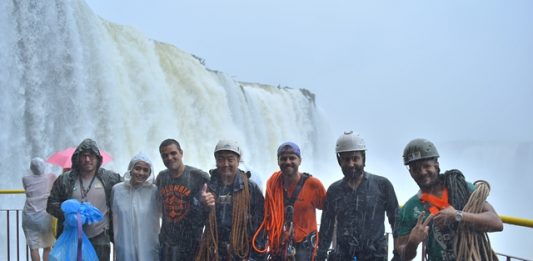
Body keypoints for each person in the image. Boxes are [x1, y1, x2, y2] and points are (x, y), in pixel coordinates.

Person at [396, 138, 503, 260]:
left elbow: (497, 223)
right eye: (416, 169)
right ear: (410, 172)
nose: (422, 172)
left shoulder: (461, 188)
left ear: (436, 165)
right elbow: (403, 253)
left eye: (426, 166)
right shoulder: (410, 208)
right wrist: (413, 242)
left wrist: (458, 215)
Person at [316, 131, 400, 260]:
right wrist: (320, 256)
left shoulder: (382, 185)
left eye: (355, 159)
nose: (351, 164)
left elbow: (396, 222)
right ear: (340, 161)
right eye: (346, 159)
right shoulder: (334, 190)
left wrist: (397, 255)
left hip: (374, 256)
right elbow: (326, 228)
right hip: (342, 256)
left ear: (363, 159)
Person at [47, 138, 122, 261]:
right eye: (84, 155)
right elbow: (50, 204)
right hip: (71, 238)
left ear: (98, 158)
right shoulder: (64, 180)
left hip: (100, 238)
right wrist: (69, 214)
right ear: (77, 158)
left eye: (91, 155)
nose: (87, 159)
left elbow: (128, 187)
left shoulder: (110, 178)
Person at [254, 142, 326, 260]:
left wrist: (324, 244)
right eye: (283, 159)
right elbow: (267, 216)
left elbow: (330, 213)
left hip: (305, 248)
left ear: (300, 160)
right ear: (278, 162)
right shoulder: (272, 186)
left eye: (292, 158)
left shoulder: (313, 185)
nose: (288, 162)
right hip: (279, 247)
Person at [197, 139, 265, 261]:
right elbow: (196, 223)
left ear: (238, 161)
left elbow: (261, 226)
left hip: (242, 254)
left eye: (230, 159)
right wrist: (203, 205)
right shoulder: (207, 187)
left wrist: (254, 258)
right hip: (214, 253)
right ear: (216, 161)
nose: (225, 163)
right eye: (221, 159)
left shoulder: (250, 189)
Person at [156, 138, 210, 260]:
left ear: (181, 152)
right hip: (167, 244)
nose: (169, 158)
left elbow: (213, 206)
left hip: (192, 244)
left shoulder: (198, 177)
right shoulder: (161, 177)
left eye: (173, 153)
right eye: (165, 155)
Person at [111, 152, 160, 261]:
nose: (141, 173)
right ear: (131, 169)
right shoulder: (117, 190)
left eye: (145, 170)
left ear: (149, 173)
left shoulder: (154, 191)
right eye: (137, 168)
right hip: (124, 245)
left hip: (148, 246)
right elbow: (115, 219)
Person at [22, 157, 57, 261]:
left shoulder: (25, 179)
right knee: (47, 247)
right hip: (45, 216)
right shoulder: (51, 177)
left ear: (31, 168)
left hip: (29, 216)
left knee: (33, 248)